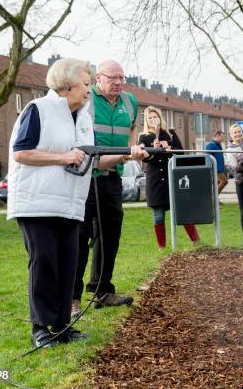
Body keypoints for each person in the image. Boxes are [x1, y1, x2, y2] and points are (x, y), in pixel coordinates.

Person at [7, 58, 122, 347]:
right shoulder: (38, 110)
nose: (88, 90)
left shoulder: (83, 118)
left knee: (69, 265)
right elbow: (21, 153)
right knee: (44, 262)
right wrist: (64, 156)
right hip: (37, 203)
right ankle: (41, 328)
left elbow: (94, 158)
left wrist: (130, 154)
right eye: (86, 83)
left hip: (70, 205)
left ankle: (62, 326)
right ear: (67, 85)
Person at [72, 59, 144, 317]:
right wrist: (127, 154)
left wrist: (131, 147)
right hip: (86, 178)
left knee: (109, 235)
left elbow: (132, 127)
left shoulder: (129, 101)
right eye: (113, 78)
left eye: (122, 78)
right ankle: (73, 298)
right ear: (98, 78)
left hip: (112, 178)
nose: (118, 83)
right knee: (79, 238)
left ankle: (102, 290)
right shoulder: (85, 99)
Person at [138, 106, 200, 249]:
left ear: (160, 118)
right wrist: (153, 149)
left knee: (183, 211)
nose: (153, 120)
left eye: (155, 117)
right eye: (150, 118)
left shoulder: (170, 133)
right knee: (158, 215)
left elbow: (181, 153)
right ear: (147, 121)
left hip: (172, 178)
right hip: (155, 181)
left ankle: (196, 241)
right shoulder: (143, 137)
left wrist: (169, 148)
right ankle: (162, 247)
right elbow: (144, 158)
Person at [205, 131, 228, 202]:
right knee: (224, 181)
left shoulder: (218, 145)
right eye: (222, 137)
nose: (222, 139)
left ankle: (215, 199)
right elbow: (207, 157)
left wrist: (224, 163)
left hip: (220, 168)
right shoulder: (211, 145)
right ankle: (213, 198)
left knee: (217, 184)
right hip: (216, 169)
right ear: (217, 136)